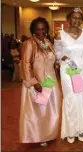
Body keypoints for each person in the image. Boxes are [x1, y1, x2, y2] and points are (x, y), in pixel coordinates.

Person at [54, 7, 83, 143]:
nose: (76, 20)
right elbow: (57, 53)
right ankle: (71, 131)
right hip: (68, 70)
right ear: (68, 19)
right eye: (74, 18)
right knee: (71, 98)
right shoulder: (60, 34)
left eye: (79, 18)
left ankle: (82, 129)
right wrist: (66, 59)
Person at [19, 17, 61, 146]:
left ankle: (49, 134)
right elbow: (25, 64)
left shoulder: (48, 43)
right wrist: (34, 82)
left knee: (52, 108)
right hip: (38, 81)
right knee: (39, 110)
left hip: (50, 80)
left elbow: (53, 61)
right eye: (38, 29)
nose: (41, 31)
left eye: (43, 29)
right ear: (33, 30)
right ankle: (38, 135)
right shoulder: (29, 43)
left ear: (47, 30)